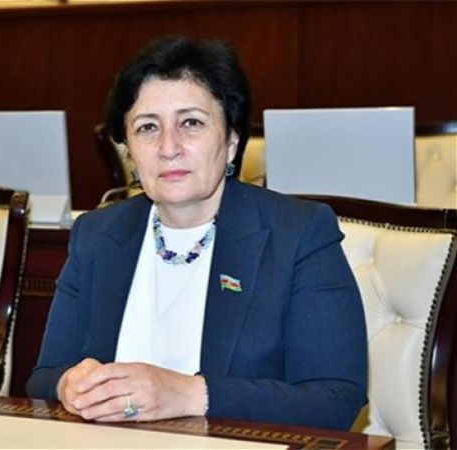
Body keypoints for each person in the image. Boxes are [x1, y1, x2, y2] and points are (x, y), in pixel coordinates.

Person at [26, 35, 367, 430]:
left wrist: (190, 394)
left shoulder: (298, 233)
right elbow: (43, 377)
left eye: (191, 123)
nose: (169, 147)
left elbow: (335, 400)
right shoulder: (97, 234)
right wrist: (69, 384)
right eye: (147, 128)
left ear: (232, 140)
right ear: (129, 151)